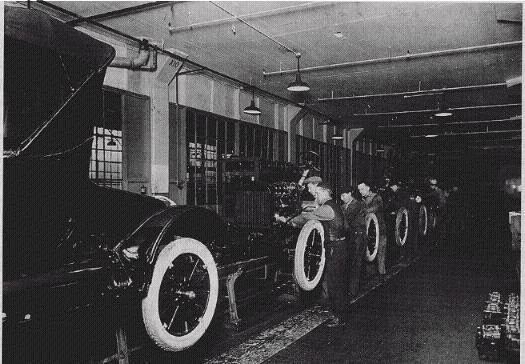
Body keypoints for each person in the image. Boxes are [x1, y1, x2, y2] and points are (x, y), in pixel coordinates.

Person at [276, 182, 348, 327]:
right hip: (338, 246)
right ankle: (338, 313)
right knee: (335, 282)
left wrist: (286, 220)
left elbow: (308, 217)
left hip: (335, 247)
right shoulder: (334, 206)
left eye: (317, 194)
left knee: (335, 284)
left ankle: (339, 317)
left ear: (324, 192)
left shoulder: (327, 208)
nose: (316, 197)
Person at [340, 187, 367, 298]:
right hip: (349, 236)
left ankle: (353, 290)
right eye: (341, 196)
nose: (342, 198)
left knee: (356, 263)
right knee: (349, 263)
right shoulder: (342, 206)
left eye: (344, 195)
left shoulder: (357, 204)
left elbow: (347, 219)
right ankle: (350, 288)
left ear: (350, 193)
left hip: (358, 236)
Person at [358, 181, 387, 275]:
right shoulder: (362, 199)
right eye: (359, 190)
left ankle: (382, 274)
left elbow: (374, 208)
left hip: (379, 229)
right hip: (368, 229)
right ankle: (371, 274)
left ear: (368, 188)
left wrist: (362, 212)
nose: (360, 191)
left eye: (362, 189)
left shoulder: (376, 197)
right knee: (369, 251)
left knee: (380, 251)